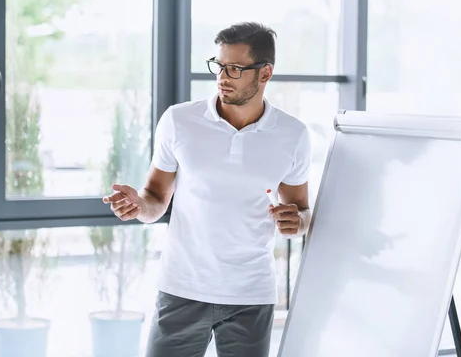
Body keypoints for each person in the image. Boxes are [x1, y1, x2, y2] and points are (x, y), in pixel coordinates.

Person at [103, 21, 312, 357]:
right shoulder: (179, 120)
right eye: (218, 65)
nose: (222, 77)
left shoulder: (293, 135)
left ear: (265, 73)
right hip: (182, 287)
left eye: (234, 68)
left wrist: (296, 222)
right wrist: (138, 206)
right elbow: (156, 197)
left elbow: (301, 210)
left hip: (251, 294)